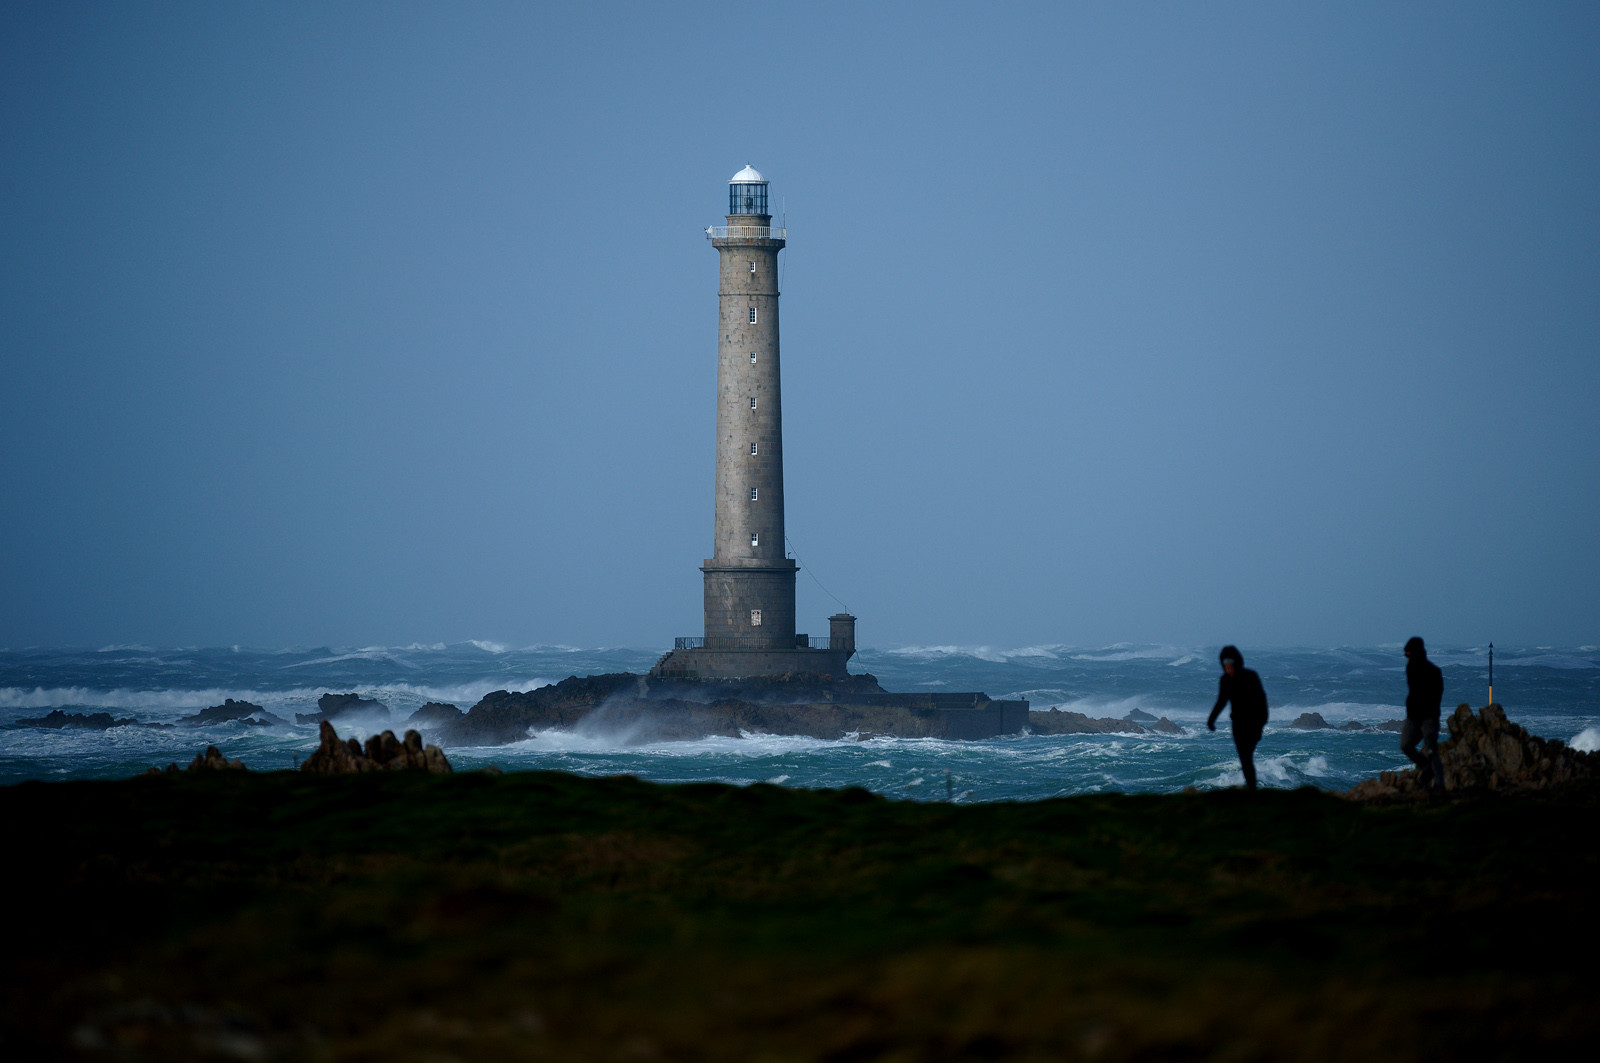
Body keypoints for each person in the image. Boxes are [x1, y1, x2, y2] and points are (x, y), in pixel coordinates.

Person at [1208, 645, 1269, 790]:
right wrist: (1211, 720)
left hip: (1253, 722)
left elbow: (1262, 699)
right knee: (1245, 758)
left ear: (1236, 661)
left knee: (1247, 756)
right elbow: (1221, 701)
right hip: (1237, 724)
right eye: (1224, 662)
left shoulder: (1250, 676)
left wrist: (1262, 721)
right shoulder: (1225, 680)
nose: (1227, 665)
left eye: (1230, 662)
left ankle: (1251, 788)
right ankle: (1252, 789)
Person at [1402, 636, 1446, 792]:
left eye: (1408, 654)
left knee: (1431, 749)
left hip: (1429, 717)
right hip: (1413, 716)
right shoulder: (1410, 668)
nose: (1406, 657)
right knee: (1405, 745)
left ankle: (1440, 785)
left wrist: (1431, 712)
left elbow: (1437, 694)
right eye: (1405, 654)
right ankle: (1426, 767)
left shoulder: (1433, 672)